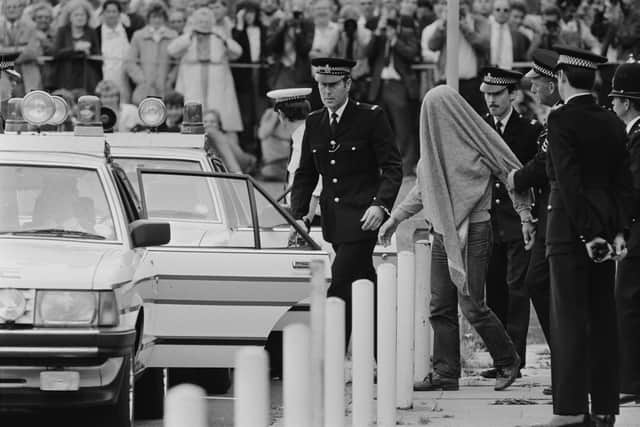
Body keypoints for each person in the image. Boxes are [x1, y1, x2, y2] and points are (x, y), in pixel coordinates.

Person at [379, 84, 533, 392]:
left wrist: (525, 214)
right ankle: (446, 373)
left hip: (476, 229)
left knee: (471, 303)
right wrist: (395, 218)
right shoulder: (433, 150)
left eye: (437, 113)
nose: (433, 120)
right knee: (440, 305)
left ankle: (507, 359)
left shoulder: (477, 137)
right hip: (442, 230)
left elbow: (511, 172)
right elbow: (423, 189)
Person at [533, 45, 630, 427]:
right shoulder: (611, 120)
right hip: (607, 226)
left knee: (569, 319)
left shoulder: (560, 121)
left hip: (572, 230)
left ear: (560, 78)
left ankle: (571, 409)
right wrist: (618, 230)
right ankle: (605, 407)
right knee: (603, 318)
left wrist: (588, 234)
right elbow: (623, 181)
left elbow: (569, 183)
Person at [290, 57, 402, 347]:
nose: (326, 92)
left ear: (347, 84)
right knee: (362, 283)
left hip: (364, 217)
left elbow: (392, 167)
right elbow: (305, 173)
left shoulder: (371, 117)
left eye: (332, 85)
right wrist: (299, 214)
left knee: (339, 285)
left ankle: (332, 354)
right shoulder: (315, 121)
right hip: (334, 219)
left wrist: (381, 204)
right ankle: (382, 350)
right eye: (321, 85)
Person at [480, 66, 541, 379]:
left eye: (497, 94)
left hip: (517, 219)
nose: (491, 100)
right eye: (487, 94)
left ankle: (515, 359)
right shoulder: (479, 129)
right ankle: (501, 359)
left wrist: (530, 214)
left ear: (513, 94)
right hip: (489, 219)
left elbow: (534, 173)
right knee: (494, 290)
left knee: (517, 288)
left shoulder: (529, 130)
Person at [506, 49, 562, 389]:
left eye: (539, 82)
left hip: (562, 219)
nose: (533, 88)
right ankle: (565, 360)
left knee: (545, 285)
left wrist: (517, 178)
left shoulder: (560, 118)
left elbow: (544, 165)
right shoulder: (554, 117)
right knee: (538, 283)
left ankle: (569, 361)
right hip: (546, 215)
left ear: (555, 84)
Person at [608, 60, 640, 406]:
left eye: (615, 100)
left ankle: (631, 380)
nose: (611, 106)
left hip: (636, 232)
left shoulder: (636, 137)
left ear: (627, 103)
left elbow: (633, 188)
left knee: (628, 304)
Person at [266, 87, 320, 222]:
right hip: (301, 215)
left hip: (311, 219)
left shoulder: (306, 140)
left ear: (281, 115)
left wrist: (303, 221)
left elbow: (316, 187)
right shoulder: (303, 136)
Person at [126, 1, 177, 104]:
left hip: (165, 87)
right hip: (144, 87)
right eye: (154, 17)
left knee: (165, 113)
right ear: (148, 18)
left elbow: (177, 63)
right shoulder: (139, 36)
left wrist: (170, 80)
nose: (157, 20)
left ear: (165, 18)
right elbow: (130, 62)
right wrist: (141, 80)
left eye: (160, 17)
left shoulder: (172, 36)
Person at [52, 0, 102, 93]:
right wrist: (75, 49)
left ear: (87, 17)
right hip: (66, 76)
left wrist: (89, 53)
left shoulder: (91, 32)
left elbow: (97, 55)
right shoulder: (62, 31)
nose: (80, 18)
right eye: (76, 15)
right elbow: (55, 53)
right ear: (70, 17)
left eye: (82, 15)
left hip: (86, 78)